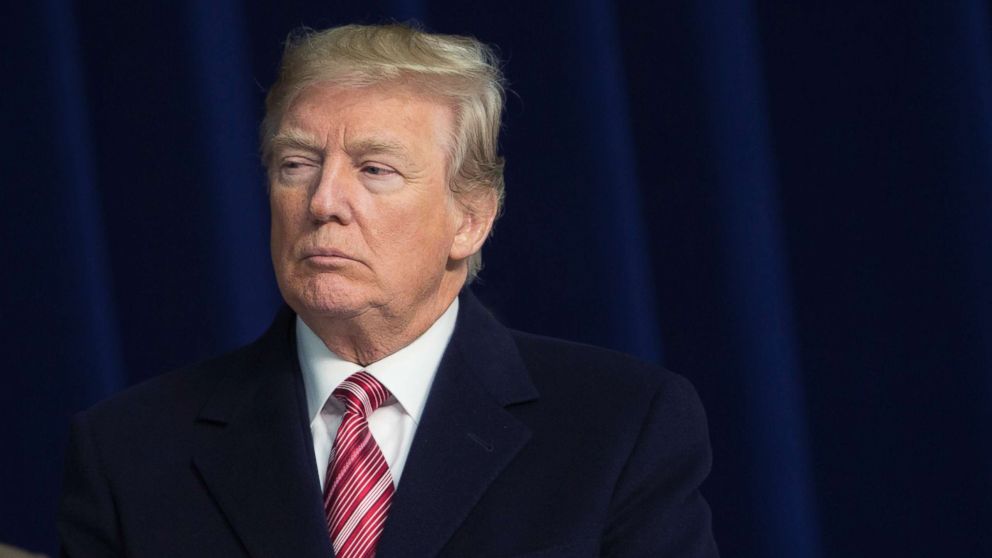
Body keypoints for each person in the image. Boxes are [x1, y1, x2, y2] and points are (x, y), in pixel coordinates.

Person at [58, 23, 719, 557]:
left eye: (374, 169)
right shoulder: (129, 449)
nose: (323, 202)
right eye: (296, 165)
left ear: (469, 218)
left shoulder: (621, 425)